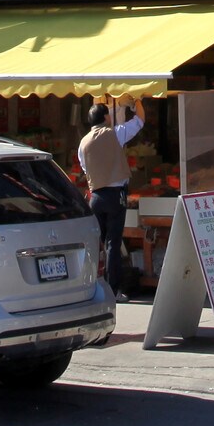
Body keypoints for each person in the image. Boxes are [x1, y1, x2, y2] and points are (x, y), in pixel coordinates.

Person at [77, 99, 144, 298]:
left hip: (96, 197)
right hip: (115, 196)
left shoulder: (83, 143)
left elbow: (84, 168)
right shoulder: (115, 133)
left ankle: (91, 286)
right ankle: (113, 289)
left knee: (96, 244)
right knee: (112, 244)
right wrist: (136, 101)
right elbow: (140, 120)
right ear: (106, 117)